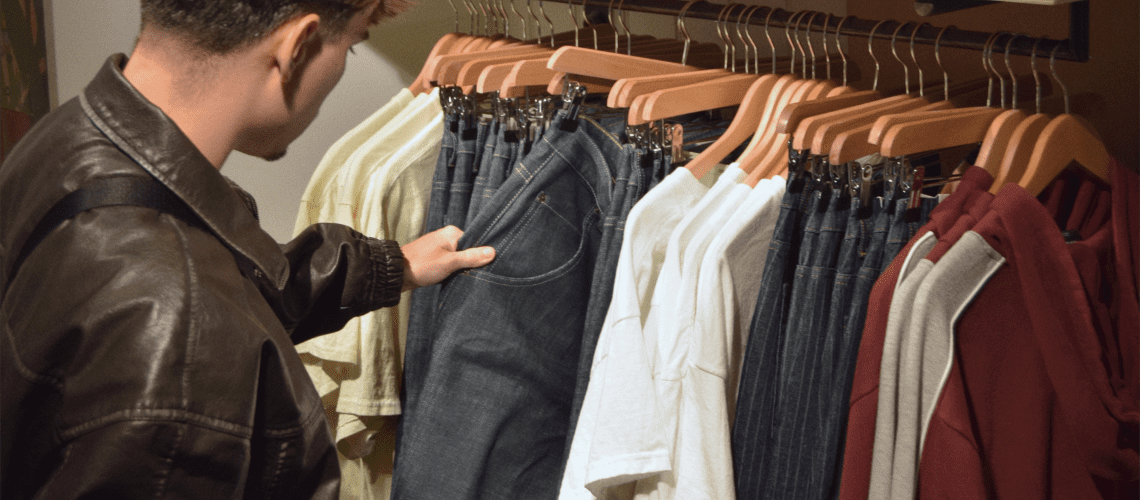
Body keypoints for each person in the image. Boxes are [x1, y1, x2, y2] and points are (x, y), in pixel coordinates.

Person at [0, 0, 494, 498]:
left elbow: (236, 284)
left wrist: (394, 266)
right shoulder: (182, 335)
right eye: (353, 43)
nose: (343, 64)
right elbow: (193, 312)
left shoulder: (71, 135)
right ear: (296, 47)